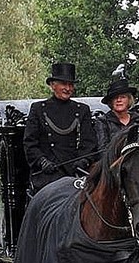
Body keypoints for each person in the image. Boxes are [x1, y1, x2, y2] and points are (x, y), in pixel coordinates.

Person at [24, 62, 97, 192]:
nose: (67, 88)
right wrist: (42, 162)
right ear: (53, 85)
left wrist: (83, 161)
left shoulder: (82, 110)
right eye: (64, 84)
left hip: (75, 173)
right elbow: (30, 144)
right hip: (47, 174)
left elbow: (89, 143)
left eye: (70, 85)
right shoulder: (38, 109)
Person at [94, 78, 139, 153]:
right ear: (111, 101)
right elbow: (102, 150)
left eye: (123, 97)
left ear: (129, 100)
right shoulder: (102, 122)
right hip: (112, 162)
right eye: (115, 97)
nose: (119, 100)